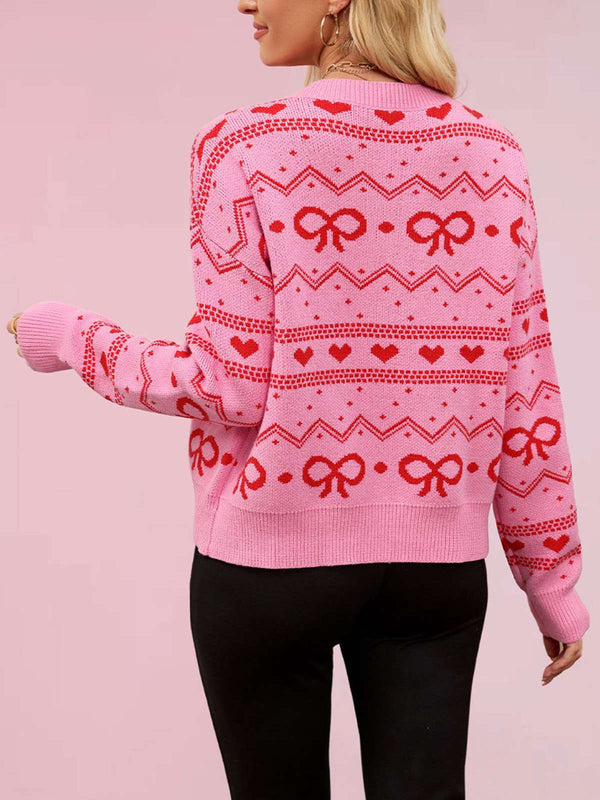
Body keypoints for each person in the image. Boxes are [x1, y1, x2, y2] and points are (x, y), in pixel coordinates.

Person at [7, 1, 589, 798]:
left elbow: (227, 383)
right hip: (435, 575)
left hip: (269, 569)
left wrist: (72, 337)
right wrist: (551, 582)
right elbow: (527, 388)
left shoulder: (242, 145)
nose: (245, 3)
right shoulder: (495, 154)